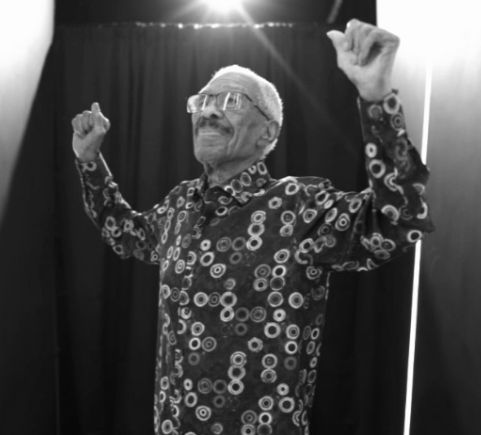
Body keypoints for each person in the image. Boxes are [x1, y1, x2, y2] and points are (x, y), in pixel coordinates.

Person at [72, 20, 433, 435]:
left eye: (231, 101)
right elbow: (125, 234)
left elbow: (396, 217)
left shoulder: (298, 206)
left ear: (268, 132)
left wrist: (376, 99)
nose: (209, 111)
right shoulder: (179, 205)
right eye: (203, 101)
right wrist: (89, 161)